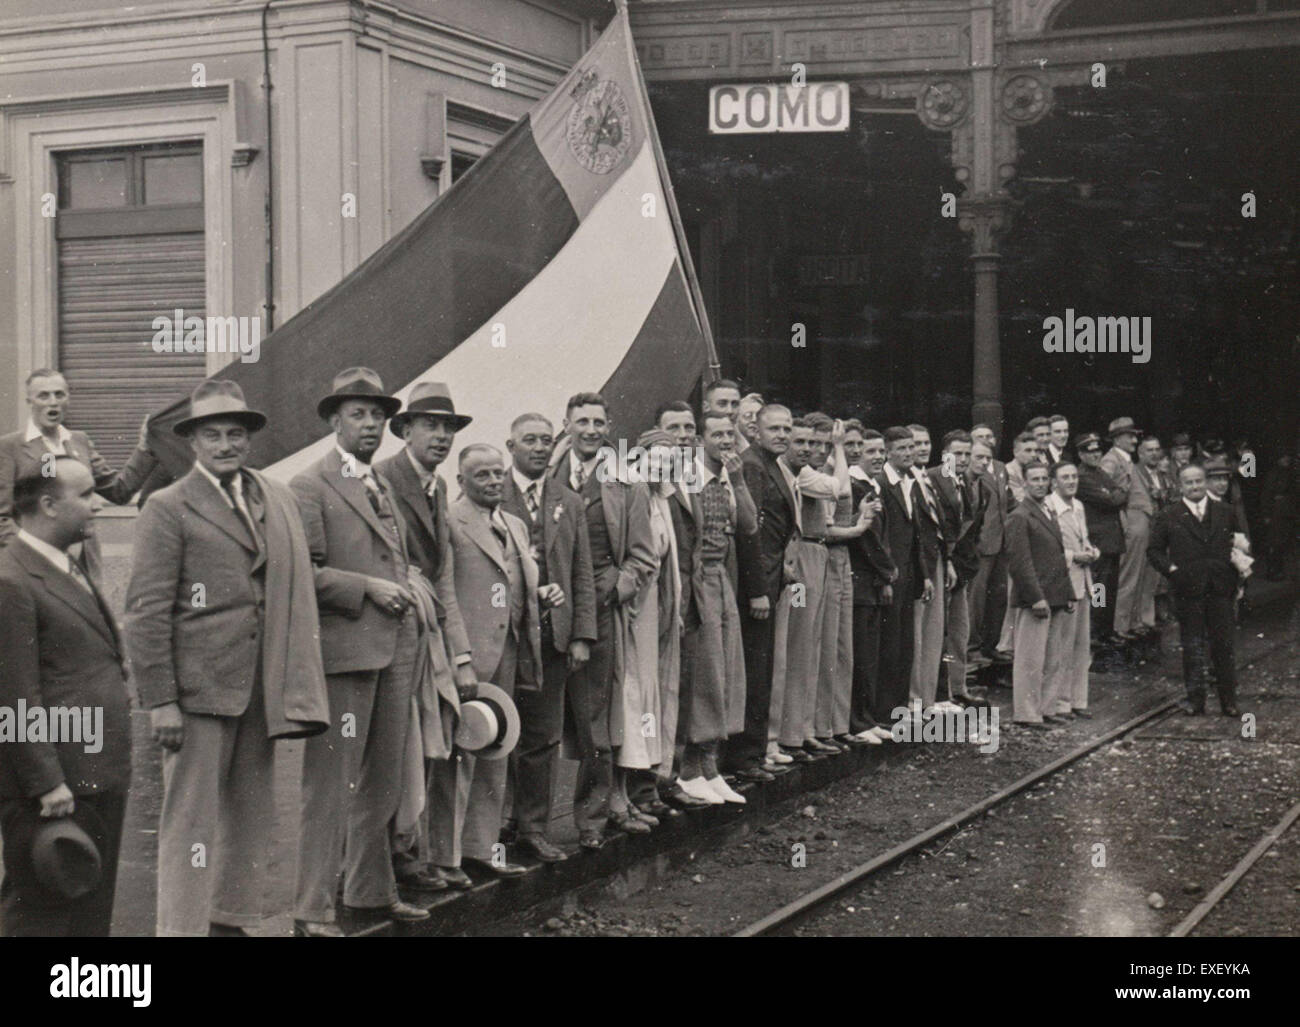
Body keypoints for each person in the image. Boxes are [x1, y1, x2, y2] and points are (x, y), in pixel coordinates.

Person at [124, 380, 328, 937]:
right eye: (211, 435)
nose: (225, 445)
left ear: (249, 439)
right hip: (197, 692)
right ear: (192, 442)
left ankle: (229, 921)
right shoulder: (168, 507)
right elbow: (145, 613)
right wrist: (161, 702)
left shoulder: (271, 496)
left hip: (259, 690)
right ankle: (181, 930)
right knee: (190, 826)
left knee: (250, 816)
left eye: (235, 434)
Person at [291, 368, 429, 936]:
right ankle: (310, 908)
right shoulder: (310, 485)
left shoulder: (382, 483)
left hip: (396, 648)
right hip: (347, 654)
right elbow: (304, 574)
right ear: (333, 420)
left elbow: (395, 558)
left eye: (376, 415)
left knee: (384, 780)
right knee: (330, 785)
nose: (370, 424)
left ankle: (370, 891)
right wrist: (366, 588)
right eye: (357, 414)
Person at [0, 459, 132, 936]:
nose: (97, 503)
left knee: (88, 912)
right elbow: (14, 697)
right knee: (42, 911)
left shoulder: (66, 561)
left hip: (94, 772)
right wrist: (46, 782)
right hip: (58, 785)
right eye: (86, 494)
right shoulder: (12, 579)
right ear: (49, 505)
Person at [374, 382, 479, 888]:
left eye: (448, 428)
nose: (441, 437)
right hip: (395, 631)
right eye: (430, 426)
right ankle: (390, 859)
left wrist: (461, 656)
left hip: (430, 631)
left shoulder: (436, 488)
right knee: (400, 746)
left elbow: (444, 578)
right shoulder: (384, 479)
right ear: (406, 430)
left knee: (429, 743)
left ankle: (413, 852)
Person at [552, 393, 658, 848]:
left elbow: (643, 557)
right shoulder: (550, 473)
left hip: (598, 606)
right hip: (547, 604)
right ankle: (519, 824)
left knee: (595, 717)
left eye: (598, 422)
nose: (591, 429)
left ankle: (592, 819)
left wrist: (615, 589)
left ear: (609, 426)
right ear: (567, 424)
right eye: (582, 421)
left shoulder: (626, 482)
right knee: (539, 719)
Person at [498, 412, 597, 860]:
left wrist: (581, 636)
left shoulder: (567, 500)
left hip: (552, 636)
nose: (538, 447)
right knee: (498, 731)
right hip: (505, 638)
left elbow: (581, 573)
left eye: (544, 440)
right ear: (511, 445)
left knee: (542, 735)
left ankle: (534, 828)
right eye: (529, 440)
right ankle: (497, 825)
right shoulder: (489, 491)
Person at [444, 444, 547, 873]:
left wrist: (541, 596)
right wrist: (460, 656)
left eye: (497, 474)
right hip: (468, 653)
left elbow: (512, 582)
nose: (492, 482)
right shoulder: (450, 521)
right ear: (461, 481)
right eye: (481, 475)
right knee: (459, 753)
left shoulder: (516, 525)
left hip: (508, 648)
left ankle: (481, 849)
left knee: (494, 748)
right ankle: (445, 856)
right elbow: (445, 591)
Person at [669, 413, 759, 800]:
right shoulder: (689, 480)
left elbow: (749, 527)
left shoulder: (726, 479)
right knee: (704, 674)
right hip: (696, 580)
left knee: (726, 671)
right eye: (717, 434)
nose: (725, 440)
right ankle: (690, 769)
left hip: (721, 579)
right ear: (703, 440)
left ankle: (711, 764)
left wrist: (738, 481)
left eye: (730, 434)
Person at [0, 368, 158, 581]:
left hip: (82, 568)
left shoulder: (79, 441)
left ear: (68, 399)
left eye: (59, 394)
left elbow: (120, 491)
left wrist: (144, 448)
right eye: (43, 395)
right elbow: (2, 518)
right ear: (30, 402)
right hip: (34, 571)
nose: (53, 402)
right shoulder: (10, 447)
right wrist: (31, 557)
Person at [770, 416, 842, 761]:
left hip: (816, 557)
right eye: (805, 443)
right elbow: (839, 488)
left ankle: (804, 727)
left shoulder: (809, 472)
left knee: (811, 643)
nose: (811, 450)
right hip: (799, 563)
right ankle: (789, 731)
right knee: (797, 642)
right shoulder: (801, 474)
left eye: (818, 444)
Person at [1147, 464, 1242, 717]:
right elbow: (1153, 551)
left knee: (1223, 646)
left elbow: (1240, 545)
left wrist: (1237, 576)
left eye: (1199, 481)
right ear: (1181, 486)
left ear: (1205, 482)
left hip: (1220, 588)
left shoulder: (1225, 511)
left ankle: (1228, 701)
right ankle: (1196, 701)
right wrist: (1173, 571)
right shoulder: (1169, 515)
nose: (1195, 486)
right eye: (1189, 483)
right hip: (1188, 590)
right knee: (1192, 646)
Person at [735, 405, 798, 779]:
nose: (782, 434)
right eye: (773, 428)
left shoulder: (772, 465)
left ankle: (754, 752)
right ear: (756, 431)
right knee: (755, 670)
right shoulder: (753, 466)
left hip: (774, 577)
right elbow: (750, 531)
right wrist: (758, 589)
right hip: (755, 586)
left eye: (786, 428)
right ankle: (746, 756)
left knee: (763, 668)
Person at [810, 415, 872, 749]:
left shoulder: (832, 470)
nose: (820, 450)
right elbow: (829, 524)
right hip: (822, 560)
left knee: (840, 645)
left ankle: (836, 723)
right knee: (819, 646)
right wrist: (857, 529)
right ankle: (817, 727)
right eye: (816, 444)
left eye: (825, 444)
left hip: (839, 561)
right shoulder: (812, 477)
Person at [1004, 462, 1073, 727]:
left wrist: (1066, 594)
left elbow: (1056, 557)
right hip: (1036, 599)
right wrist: (1036, 597)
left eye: (1045, 479)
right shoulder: (1020, 516)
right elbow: (1020, 563)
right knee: (1030, 660)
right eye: (1035, 479)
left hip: (1055, 595)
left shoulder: (1047, 511)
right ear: (1024, 482)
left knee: (1053, 658)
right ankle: (1027, 713)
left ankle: (1047, 708)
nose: (1041, 483)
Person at [929, 430, 986, 706]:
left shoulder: (968, 484)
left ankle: (958, 687)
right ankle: (942, 694)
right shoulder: (933, 479)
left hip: (960, 569)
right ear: (945, 455)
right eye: (957, 453)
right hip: (941, 565)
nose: (963, 459)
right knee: (939, 632)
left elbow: (972, 529)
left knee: (960, 630)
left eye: (967, 453)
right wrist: (947, 561)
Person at [846, 428, 896, 743]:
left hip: (872, 582)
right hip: (860, 580)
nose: (877, 456)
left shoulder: (872, 486)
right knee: (859, 653)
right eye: (870, 451)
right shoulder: (855, 487)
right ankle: (857, 721)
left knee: (870, 652)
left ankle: (867, 717)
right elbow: (868, 538)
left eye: (880, 451)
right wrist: (887, 571)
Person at [878, 427, 928, 727]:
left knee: (905, 642)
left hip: (909, 574)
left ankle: (900, 707)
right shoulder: (883, 483)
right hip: (891, 572)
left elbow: (916, 534)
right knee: (890, 644)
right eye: (902, 449)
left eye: (911, 447)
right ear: (889, 452)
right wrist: (887, 573)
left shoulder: (912, 482)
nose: (908, 453)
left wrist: (922, 575)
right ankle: (886, 711)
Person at [1044, 460, 1098, 718]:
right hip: (1063, 583)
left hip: (1083, 581)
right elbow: (1049, 549)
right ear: (1054, 482)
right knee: (1061, 646)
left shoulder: (1078, 507)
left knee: (1081, 645)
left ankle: (1078, 700)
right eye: (1065, 477)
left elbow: (1083, 538)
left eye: (1074, 476)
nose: (1072, 481)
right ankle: (1060, 703)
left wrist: (1090, 551)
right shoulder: (1050, 507)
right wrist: (1074, 556)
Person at [908, 424, 952, 713]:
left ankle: (928, 697)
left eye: (925, 443)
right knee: (917, 632)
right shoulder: (907, 481)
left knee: (934, 632)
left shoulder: (929, 478)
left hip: (935, 558)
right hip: (918, 562)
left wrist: (946, 561)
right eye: (916, 444)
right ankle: (914, 698)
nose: (922, 448)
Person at [1074, 432, 1127, 649]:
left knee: (1109, 587)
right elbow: (1112, 499)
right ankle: (1096, 634)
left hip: (1110, 541)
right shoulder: (1084, 476)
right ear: (1081, 454)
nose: (1095, 455)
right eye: (1090, 452)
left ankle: (1105, 630)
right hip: (1099, 542)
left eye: (1097, 451)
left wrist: (1115, 492)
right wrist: (1115, 493)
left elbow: (1120, 493)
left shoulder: (1099, 473)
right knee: (1100, 589)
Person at [968, 425, 1012, 664]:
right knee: (976, 598)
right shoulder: (971, 471)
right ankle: (972, 646)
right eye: (980, 438)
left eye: (989, 437)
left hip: (1002, 543)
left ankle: (991, 644)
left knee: (999, 596)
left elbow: (1010, 503)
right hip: (982, 544)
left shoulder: (1000, 468)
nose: (986, 442)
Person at [1114, 435, 1165, 639]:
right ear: (1140, 453)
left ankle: (1143, 620)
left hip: (1156, 529)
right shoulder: (1132, 471)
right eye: (1149, 450)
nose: (1154, 454)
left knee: (1150, 577)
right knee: (1130, 577)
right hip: (1138, 528)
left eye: (1156, 450)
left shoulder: (1162, 474)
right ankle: (1122, 623)